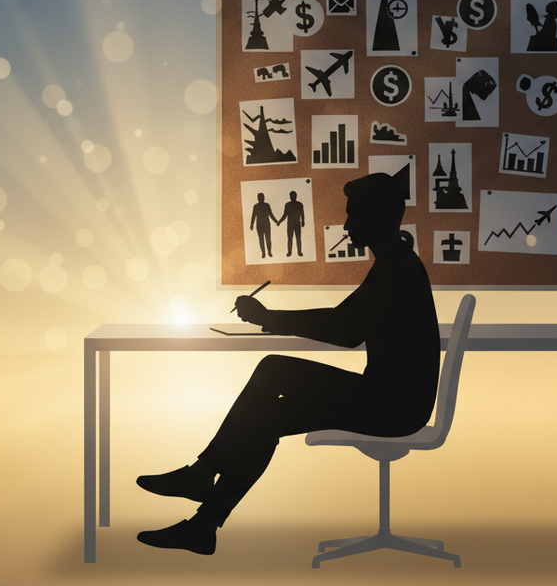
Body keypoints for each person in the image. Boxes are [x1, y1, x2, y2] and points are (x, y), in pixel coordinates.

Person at [135, 166, 438, 556]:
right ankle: (202, 504)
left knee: (270, 401)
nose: (346, 225)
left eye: (353, 215)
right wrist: (270, 319)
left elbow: (346, 330)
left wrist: (268, 318)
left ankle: (203, 497)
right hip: (388, 397)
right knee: (272, 382)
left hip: (393, 408)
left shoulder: (396, 268)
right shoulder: (396, 262)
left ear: (375, 216)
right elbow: (347, 322)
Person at [250, 193, 279, 259]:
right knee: (261, 239)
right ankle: (263, 253)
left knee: (268, 239)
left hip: (266, 224)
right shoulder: (256, 206)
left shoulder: (266, 205)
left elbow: (270, 214)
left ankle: (269, 252)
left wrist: (276, 221)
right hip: (259, 225)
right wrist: (251, 224)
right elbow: (253, 216)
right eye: (260, 197)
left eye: (262, 197)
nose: (262, 198)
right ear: (258, 198)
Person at [278, 190, 306, 257]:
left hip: (297, 223)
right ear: (290, 197)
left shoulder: (299, 204)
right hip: (290, 224)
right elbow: (285, 215)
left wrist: (303, 221)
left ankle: (299, 251)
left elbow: (302, 214)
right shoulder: (288, 205)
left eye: (293, 196)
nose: (292, 197)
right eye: (292, 196)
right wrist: (279, 221)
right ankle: (289, 252)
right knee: (290, 238)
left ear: (296, 196)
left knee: (298, 238)